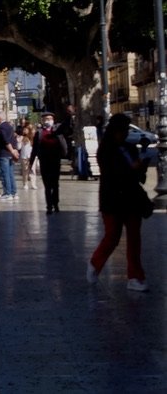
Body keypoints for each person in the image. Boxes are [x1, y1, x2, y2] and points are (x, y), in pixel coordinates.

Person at [87, 113, 155, 291]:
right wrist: (131, 169)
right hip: (113, 199)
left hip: (131, 198)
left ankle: (135, 277)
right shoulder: (105, 150)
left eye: (126, 130)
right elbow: (112, 173)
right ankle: (95, 263)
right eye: (122, 130)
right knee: (112, 237)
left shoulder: (130, 149)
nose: (124, 133)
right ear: (114, 131)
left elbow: (139, 176)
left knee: (134, 238)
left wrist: (141, 167)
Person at [31, 111, 68, 213]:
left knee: (55, 184)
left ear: (53, 120)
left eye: (50, 119)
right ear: (42, 120)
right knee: (47, 185)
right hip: (44, 161)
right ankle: (49, 206)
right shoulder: (39, 133)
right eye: (46, 119)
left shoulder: (57, 130)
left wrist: (69, 114)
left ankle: (55, 203)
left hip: (55, 160)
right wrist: (31, 162)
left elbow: (66, 124)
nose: (48, 121)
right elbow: (34, 148)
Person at [0, 112, 19, 200]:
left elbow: (6, 140)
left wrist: (12, 150)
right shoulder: (9, 126)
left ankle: (8, 193)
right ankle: (14, 192)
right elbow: (13, 139)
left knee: (5, 174)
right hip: (9, 154)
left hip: (3, 153)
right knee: (10, 173)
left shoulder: (1, 127)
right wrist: (14, 150)